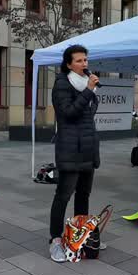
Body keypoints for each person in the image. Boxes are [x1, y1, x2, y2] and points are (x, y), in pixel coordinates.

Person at [48, 44, 102, 263]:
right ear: (69, 63)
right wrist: (88, 90)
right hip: (70, 148)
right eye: (79, 61)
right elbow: (68, 113)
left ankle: (81, 235)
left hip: (87, 147)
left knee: (83, 195)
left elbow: (88, 115)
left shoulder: (87, 84)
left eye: (86, 60)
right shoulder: (62, 83)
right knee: (63, 195)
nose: (84, 64)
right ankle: (55, 240)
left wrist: (89, 90)